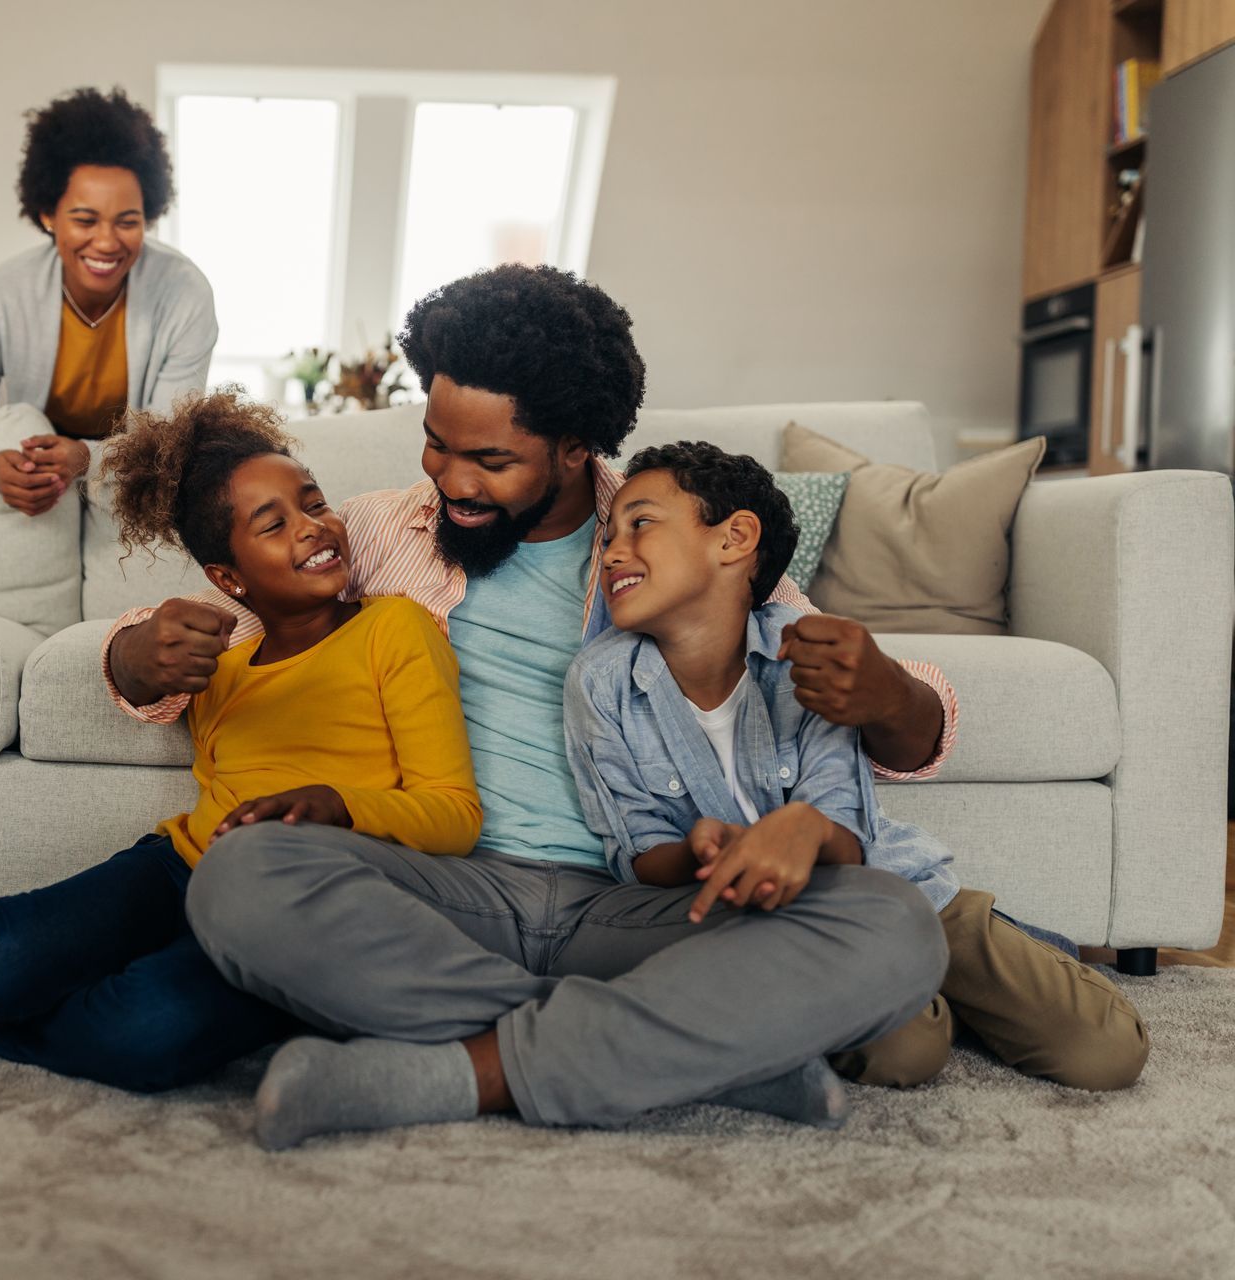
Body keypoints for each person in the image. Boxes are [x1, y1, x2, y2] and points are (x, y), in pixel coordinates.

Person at [102, 264, 958, 1150]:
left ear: (576, 446)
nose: (451, 480)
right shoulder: (380, 532)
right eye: (438, 443)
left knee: (893, 927)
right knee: (243, 876)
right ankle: (705, 1052)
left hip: (637, 910)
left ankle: (463, 1072)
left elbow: (908, 731)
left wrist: (889, 690)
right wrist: (139, 655)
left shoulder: (661, 540)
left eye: (491, 460)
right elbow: (217, 630)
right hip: (438, 896)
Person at [0, 391, 481, 1094]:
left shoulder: (394, 628)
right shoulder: (219, 661)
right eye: (273, 524)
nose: (311, 528)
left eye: (313, 503)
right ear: (228, 578)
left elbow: (455, 815)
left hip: (299, 911)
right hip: (182, 867)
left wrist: (339, 805)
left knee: (145, 1034)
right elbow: (136, 667)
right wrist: (134, 651)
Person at [562, 441, 1147, 1092]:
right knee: (904, 1053)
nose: (612, 550)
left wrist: (805, 829)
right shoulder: (601, 683)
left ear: (734, 539)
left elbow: (847, 822)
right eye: (605, 536)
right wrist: (696, 851)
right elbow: (635, 849)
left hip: (892, 890)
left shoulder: (807, 654)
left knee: (1107, 1053)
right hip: (772, 931)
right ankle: (943, 1003)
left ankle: (1005, 959)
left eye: (640, 524)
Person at [0, 87, 218, 516]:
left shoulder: (184, 294)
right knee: (15, 425)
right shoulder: (0, 298)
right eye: (84, 219)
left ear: (148, 217)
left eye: (127, 222)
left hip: (131, 476)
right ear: (47, 215)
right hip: (34, 456)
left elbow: (168, 445)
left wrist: (85, 457)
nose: (106, 241)